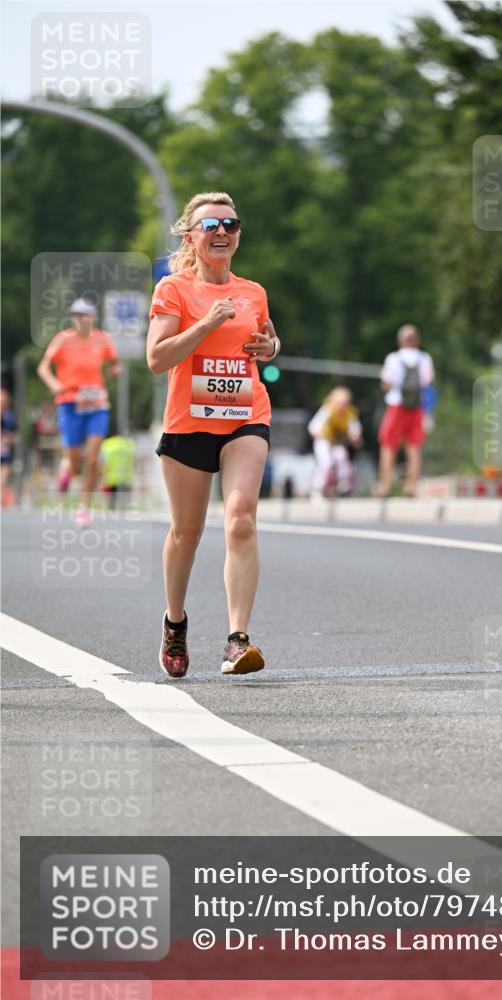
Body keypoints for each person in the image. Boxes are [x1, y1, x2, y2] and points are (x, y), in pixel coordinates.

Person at [147, 191, 280, 680]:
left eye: (231, 223)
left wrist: (271, 346)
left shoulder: (253, 291)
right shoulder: (173, 291)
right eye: (211, 225)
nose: (222, 231)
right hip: (189, 423)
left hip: (245, 415)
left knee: (241, 519)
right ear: (191, 237)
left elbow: (266, 340)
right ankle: (175, 623)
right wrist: (205, 323)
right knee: (187, 534)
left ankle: (237, 640)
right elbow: (157, 358)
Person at [37, 298, 122, 525]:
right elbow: (43, 367)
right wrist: (54, 384)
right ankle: (68, 470)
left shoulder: (102, 339)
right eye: (75, 315)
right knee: (75, 462)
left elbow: (114, 362)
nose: (79, 319)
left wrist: (116, 369)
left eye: (83, 315)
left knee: (93, 458)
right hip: (69, 403)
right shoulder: (63, 340)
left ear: (92, 317)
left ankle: (85, 507)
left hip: (96, 404)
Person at [376, 324, 435, 497]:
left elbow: (386, 384)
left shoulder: (393, 359)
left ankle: (385, 486)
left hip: (396, 405)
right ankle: (411, 486)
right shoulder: (425, 358)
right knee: (414, 447)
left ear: (399, 341)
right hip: (417, 406)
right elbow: (428, 382)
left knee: (388, 445)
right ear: (417, 340)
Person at [308, 386, 363, 498]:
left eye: (344, 403)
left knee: (343, 459)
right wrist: (325, 435)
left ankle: (342, 486)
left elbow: (355, 431)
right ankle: (318, 489)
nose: (342, 405)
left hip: (338, 443)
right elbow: (313, 428)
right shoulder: (327, 410)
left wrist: (354, 437)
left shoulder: (350, 413)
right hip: (324, 441)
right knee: (326, 463)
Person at [100, 424, 136, 508]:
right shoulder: (128, 444)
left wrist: (102, 477)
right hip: (126, 479)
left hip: (111, 479)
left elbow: (104, 463)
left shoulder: (107, 444)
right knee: (125, 507)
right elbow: (133, 462)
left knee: (111, 506)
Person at [1, 387, 17, 506]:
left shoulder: (11, 416)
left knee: (4, 475)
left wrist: (10, 439)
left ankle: (1, 499)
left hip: (6, 451)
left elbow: (17, 434)